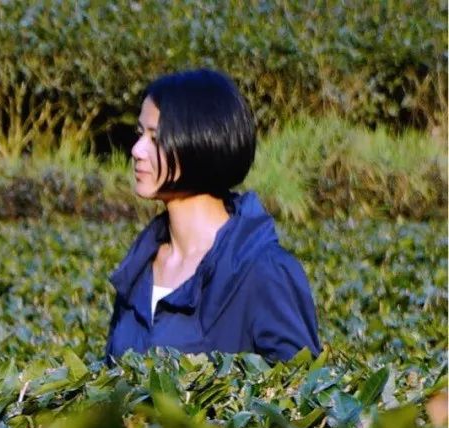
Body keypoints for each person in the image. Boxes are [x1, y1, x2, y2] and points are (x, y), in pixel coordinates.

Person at [105, 69, 320, 365]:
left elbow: (300, 395)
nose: (137, 150)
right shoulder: (140, 266)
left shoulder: (263, 271)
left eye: (156, 138)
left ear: (200, 142)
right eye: (140, 134)